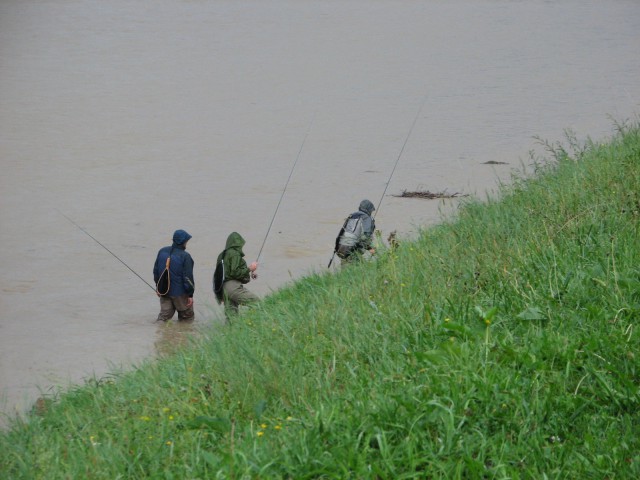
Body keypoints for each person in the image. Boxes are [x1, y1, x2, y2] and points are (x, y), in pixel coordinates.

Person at [213, 232, 259, 318]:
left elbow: (218, 275)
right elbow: (235, 273)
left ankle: (230, 331)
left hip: (224, 289)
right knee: (257, 303)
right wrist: (250, 268)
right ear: (238, 244)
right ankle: (256, 323)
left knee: (231, 318)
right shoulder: (234, 253)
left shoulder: (222, 255)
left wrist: (220, 294)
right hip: (233, 287)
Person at [153, 229, 195, 322]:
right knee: (187, 318)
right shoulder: (185, 256)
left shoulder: (162, 251)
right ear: (183, 242)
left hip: (164, 291)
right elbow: (188, 278)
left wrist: (158, 287)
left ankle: (158, 335)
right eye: (187, 241)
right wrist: (190, 295)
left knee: (162, 320)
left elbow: (156, 271)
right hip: (180, 294)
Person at [334, 199, 377, 264]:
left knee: (346, 269)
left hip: (341, 248)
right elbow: (366, 237)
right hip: (352, 250)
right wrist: (370, 248)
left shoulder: (352, 216)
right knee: (358, 269)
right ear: (369, 210)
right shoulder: (367, 219)